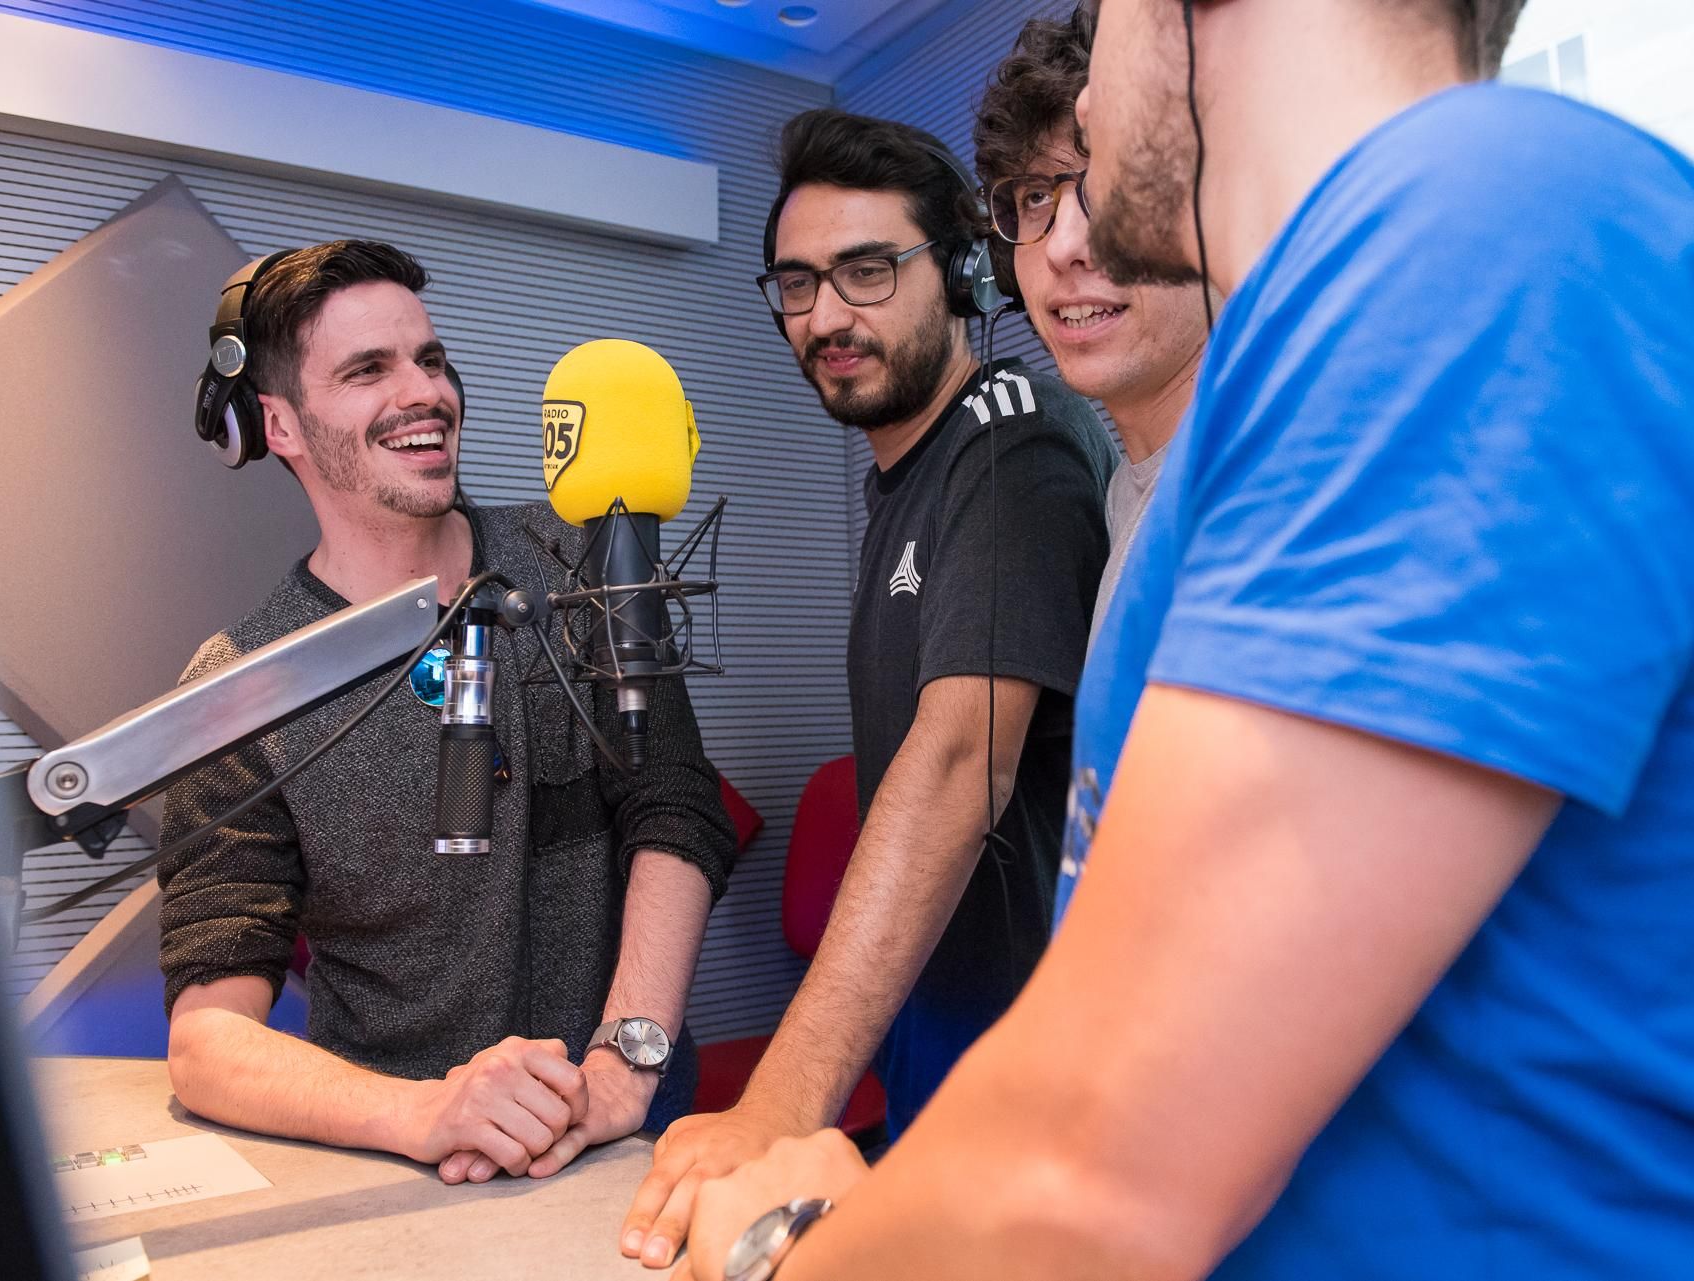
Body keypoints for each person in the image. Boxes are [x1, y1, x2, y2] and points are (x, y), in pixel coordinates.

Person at [682, 0, 1694, 1277]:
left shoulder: (1472, 220)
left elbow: (1106, 1160)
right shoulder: (1225, 446)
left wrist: (779, 1248)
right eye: (1028, 202)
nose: (1069, 221)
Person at [621, 109, 1115, 1270]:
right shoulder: (906, 481)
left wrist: (778, 1103)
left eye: (867, 271)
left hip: (1030, 1094)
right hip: (934, 1066)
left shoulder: (1010, 443)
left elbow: (959, 760)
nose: (827, 316)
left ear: (964, 273)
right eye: (797, 284)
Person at [157, 239, 735, 1188]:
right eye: (367, 370)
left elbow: (676, 806)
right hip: (403, 1167)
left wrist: (625, 1064)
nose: (423, 391)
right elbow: (207, 1039)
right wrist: (423, 1111)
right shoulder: (243, 687)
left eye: (429, 358)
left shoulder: (583, 562)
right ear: (279, 423)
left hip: (623, 1130)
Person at [972, 4, 1207, 626]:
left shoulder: (1270, 481)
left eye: (1115, 183)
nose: (1062, 245)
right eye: (1035, 197)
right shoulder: (1126, 497)